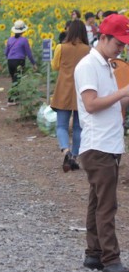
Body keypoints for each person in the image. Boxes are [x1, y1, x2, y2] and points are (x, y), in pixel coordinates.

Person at [73, 13, 129, 272]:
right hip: (98, 145)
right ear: (103, 37)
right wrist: (122, 92)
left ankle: (93, 255)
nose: (122, 48)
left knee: (97, 202)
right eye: (118, 42)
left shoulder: (107, 64)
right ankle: (111, 260)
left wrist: (124, 96)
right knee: (107, 205)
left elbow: (111, 103)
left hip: (108, 143)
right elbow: (91, 104)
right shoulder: (88, 66)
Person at [51, 19, 90, 172]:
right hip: (82, 90)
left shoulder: (61, 47)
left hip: (63, 89)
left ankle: (65, 151)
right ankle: (74, 156)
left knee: (61, 125)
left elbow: (55, 66)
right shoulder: (88, 50)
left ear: (70, 31)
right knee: (78, 128)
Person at [4, 19, 36, 86]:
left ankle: (13, 95)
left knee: (13, 79)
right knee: (18, 79)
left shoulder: (10, 39)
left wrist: (10, 58)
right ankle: (15, 95)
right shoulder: (24, 40)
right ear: (23, 31)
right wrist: (33, 63)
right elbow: (29, 54)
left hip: (10, 61)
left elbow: (6, 52)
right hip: (19, 61)